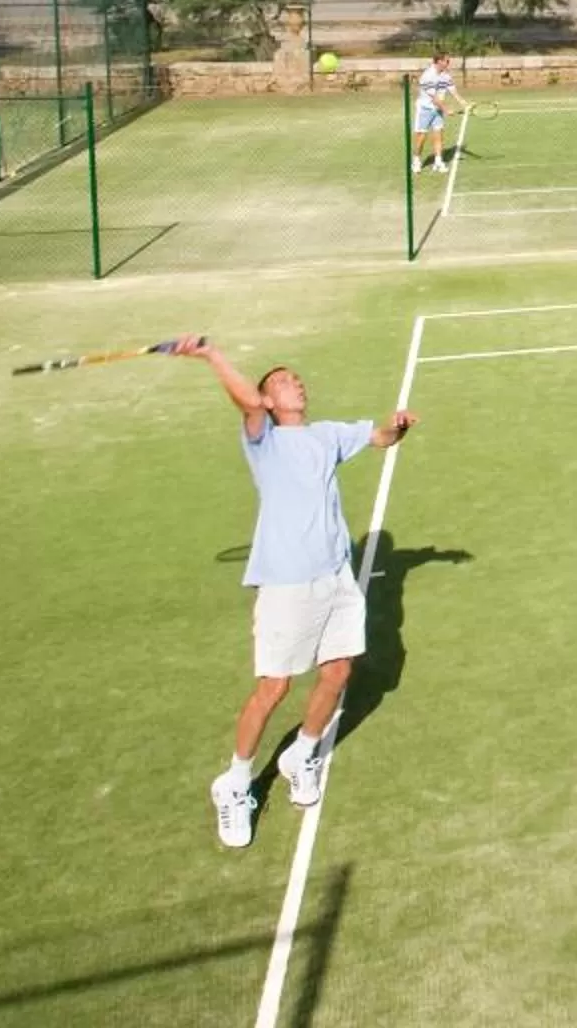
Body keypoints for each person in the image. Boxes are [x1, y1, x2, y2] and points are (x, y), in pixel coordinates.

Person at [188, 336, 416, 849]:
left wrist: (396, 428)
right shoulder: (262, 441)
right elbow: (246, 402)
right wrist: (211, 355)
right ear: (269, 401)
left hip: (336, 578)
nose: (297, 384)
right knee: (275, 687)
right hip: (287, 584)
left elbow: (379, 438)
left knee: (338, 673)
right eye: (285, 381)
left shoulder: (328, 436)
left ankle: (302, 754)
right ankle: (236, 783)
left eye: (298, 379)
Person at [410, 52, 455, 173]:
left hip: (437, 110)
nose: (448, 63)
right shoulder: (428, 75)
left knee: (438, 136)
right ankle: (416, 161)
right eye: (447, 61)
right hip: (425, 109)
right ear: (439, 61)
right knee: (421, 137)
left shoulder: (445, 75)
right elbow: (434, 98)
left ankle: (438, 162)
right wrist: (446, 110)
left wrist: (465, 103)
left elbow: (453, 91)